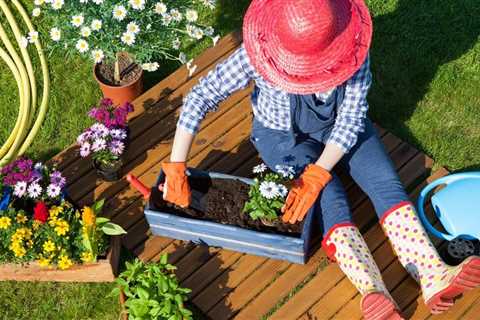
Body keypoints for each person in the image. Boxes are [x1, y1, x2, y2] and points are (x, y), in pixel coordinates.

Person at [159, 0, 480, 319]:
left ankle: (433, 273)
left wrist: (318, 172)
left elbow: (352, 117)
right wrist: (176, 166)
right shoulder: (259, 54)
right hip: (282, 139)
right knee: (331, 199)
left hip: (341, 128)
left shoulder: (351, 50)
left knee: (384, 181)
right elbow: (202, 95)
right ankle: (373, 291)